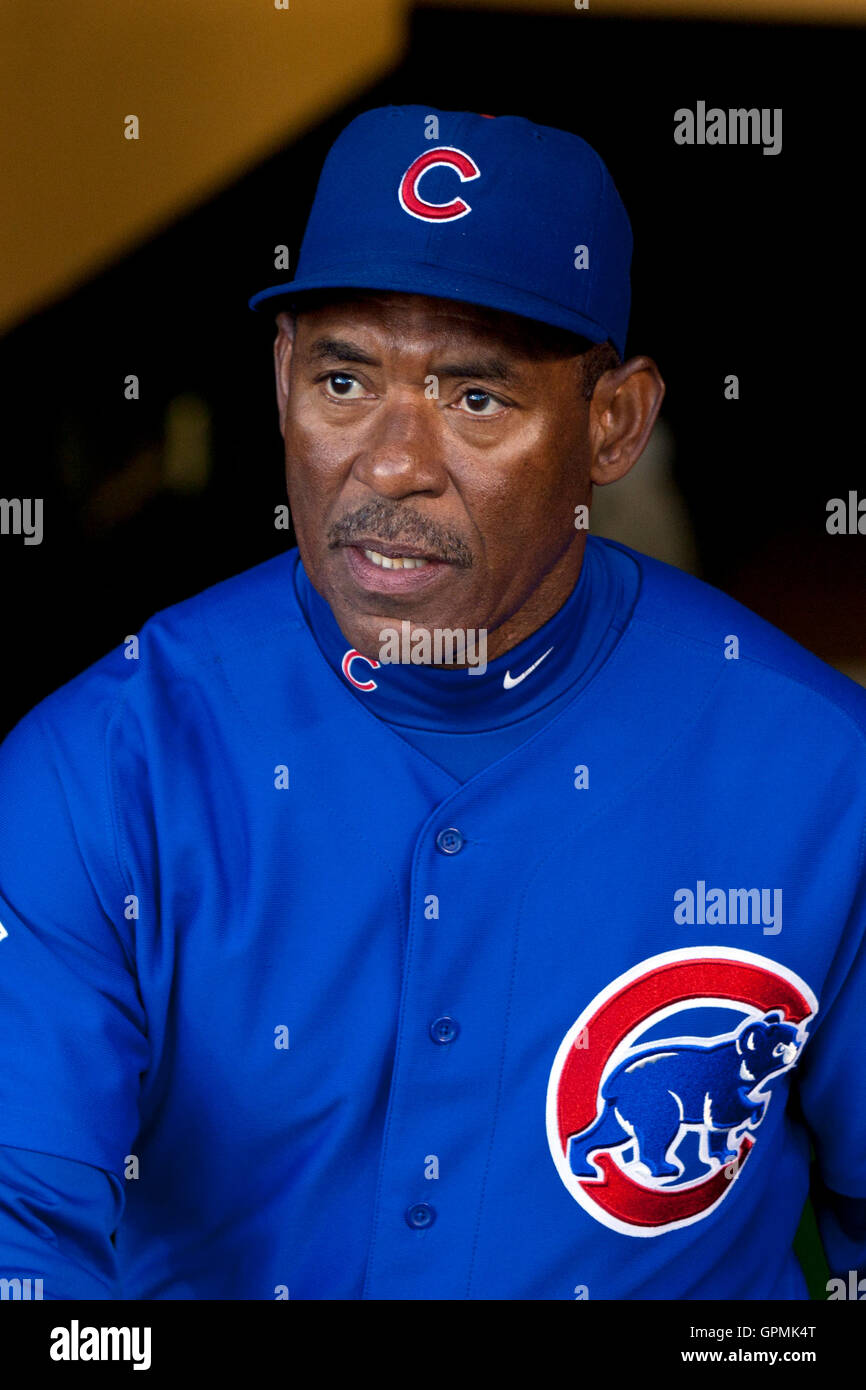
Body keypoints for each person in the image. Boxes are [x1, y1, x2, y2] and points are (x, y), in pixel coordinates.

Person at [0, 105, 863, 1301]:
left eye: (474, 399)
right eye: (343, 379)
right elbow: (20, 1242)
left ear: (612, 423)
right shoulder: (95, 770)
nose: (392, 462)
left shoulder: (817, 768)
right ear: (280, 377)